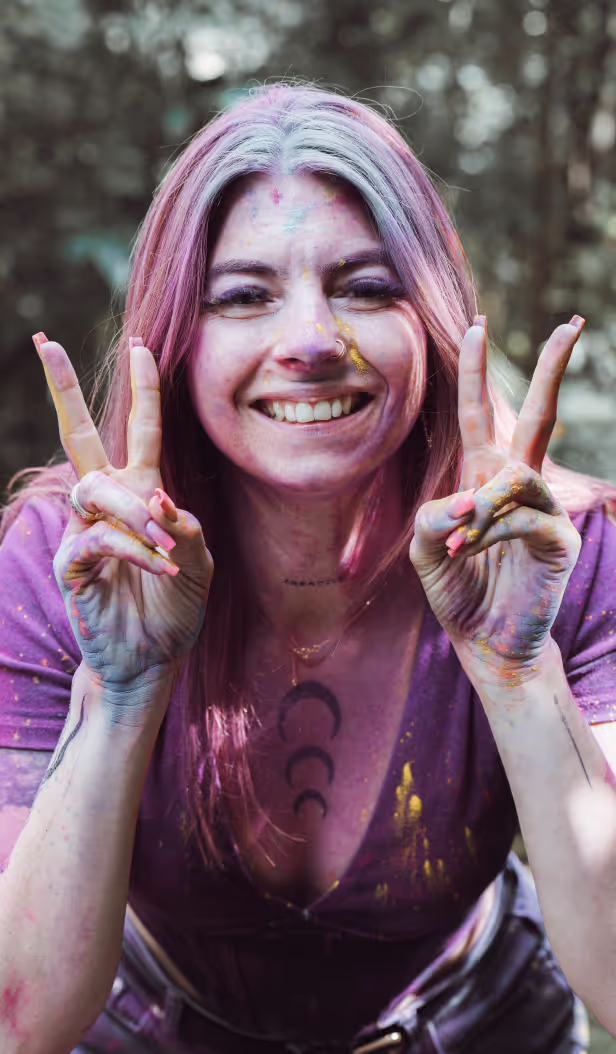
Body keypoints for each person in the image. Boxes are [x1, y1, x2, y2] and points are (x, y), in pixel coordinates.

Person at [0, 83, 614, 1054]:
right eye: (244, 296)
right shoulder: (73, 564)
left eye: (366, 287)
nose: (312, 343)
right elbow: (20, 1019)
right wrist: (120, 692)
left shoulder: (554, 549)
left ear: (433, 319)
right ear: (175, 339)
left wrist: (516, 669)